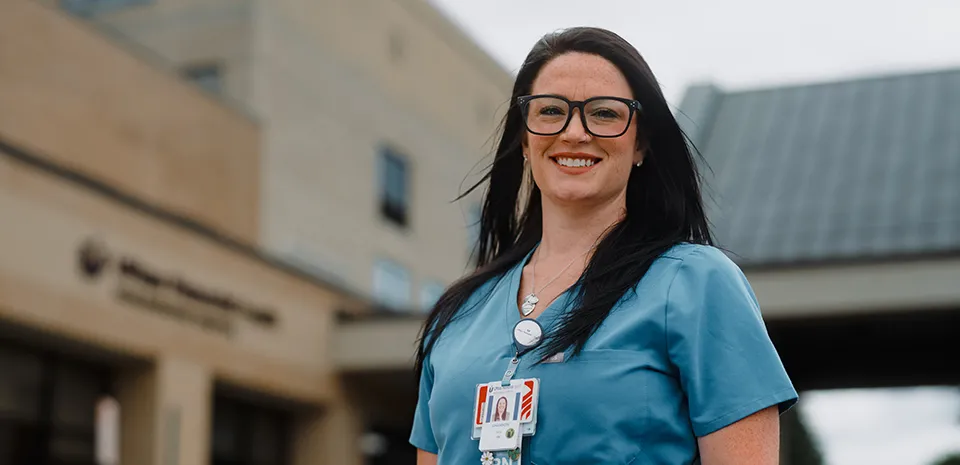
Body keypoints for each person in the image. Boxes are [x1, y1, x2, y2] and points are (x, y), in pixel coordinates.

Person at [411, 27, 797, 465]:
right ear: (524, 138)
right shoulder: (456, 315)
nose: (574, 133)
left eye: (605, 114)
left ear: (641, 144)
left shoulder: (697, 283)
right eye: (551, 110)